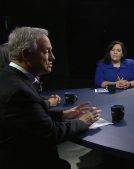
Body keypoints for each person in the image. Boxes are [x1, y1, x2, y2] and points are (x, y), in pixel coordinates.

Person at [0, 27, 101, 169]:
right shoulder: (19, 90)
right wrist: (82, 121)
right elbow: (50, 133)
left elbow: (29, 118)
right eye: (47, 51)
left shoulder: (8, 76)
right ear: (26, 54)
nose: (52, 57)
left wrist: (63, 114)